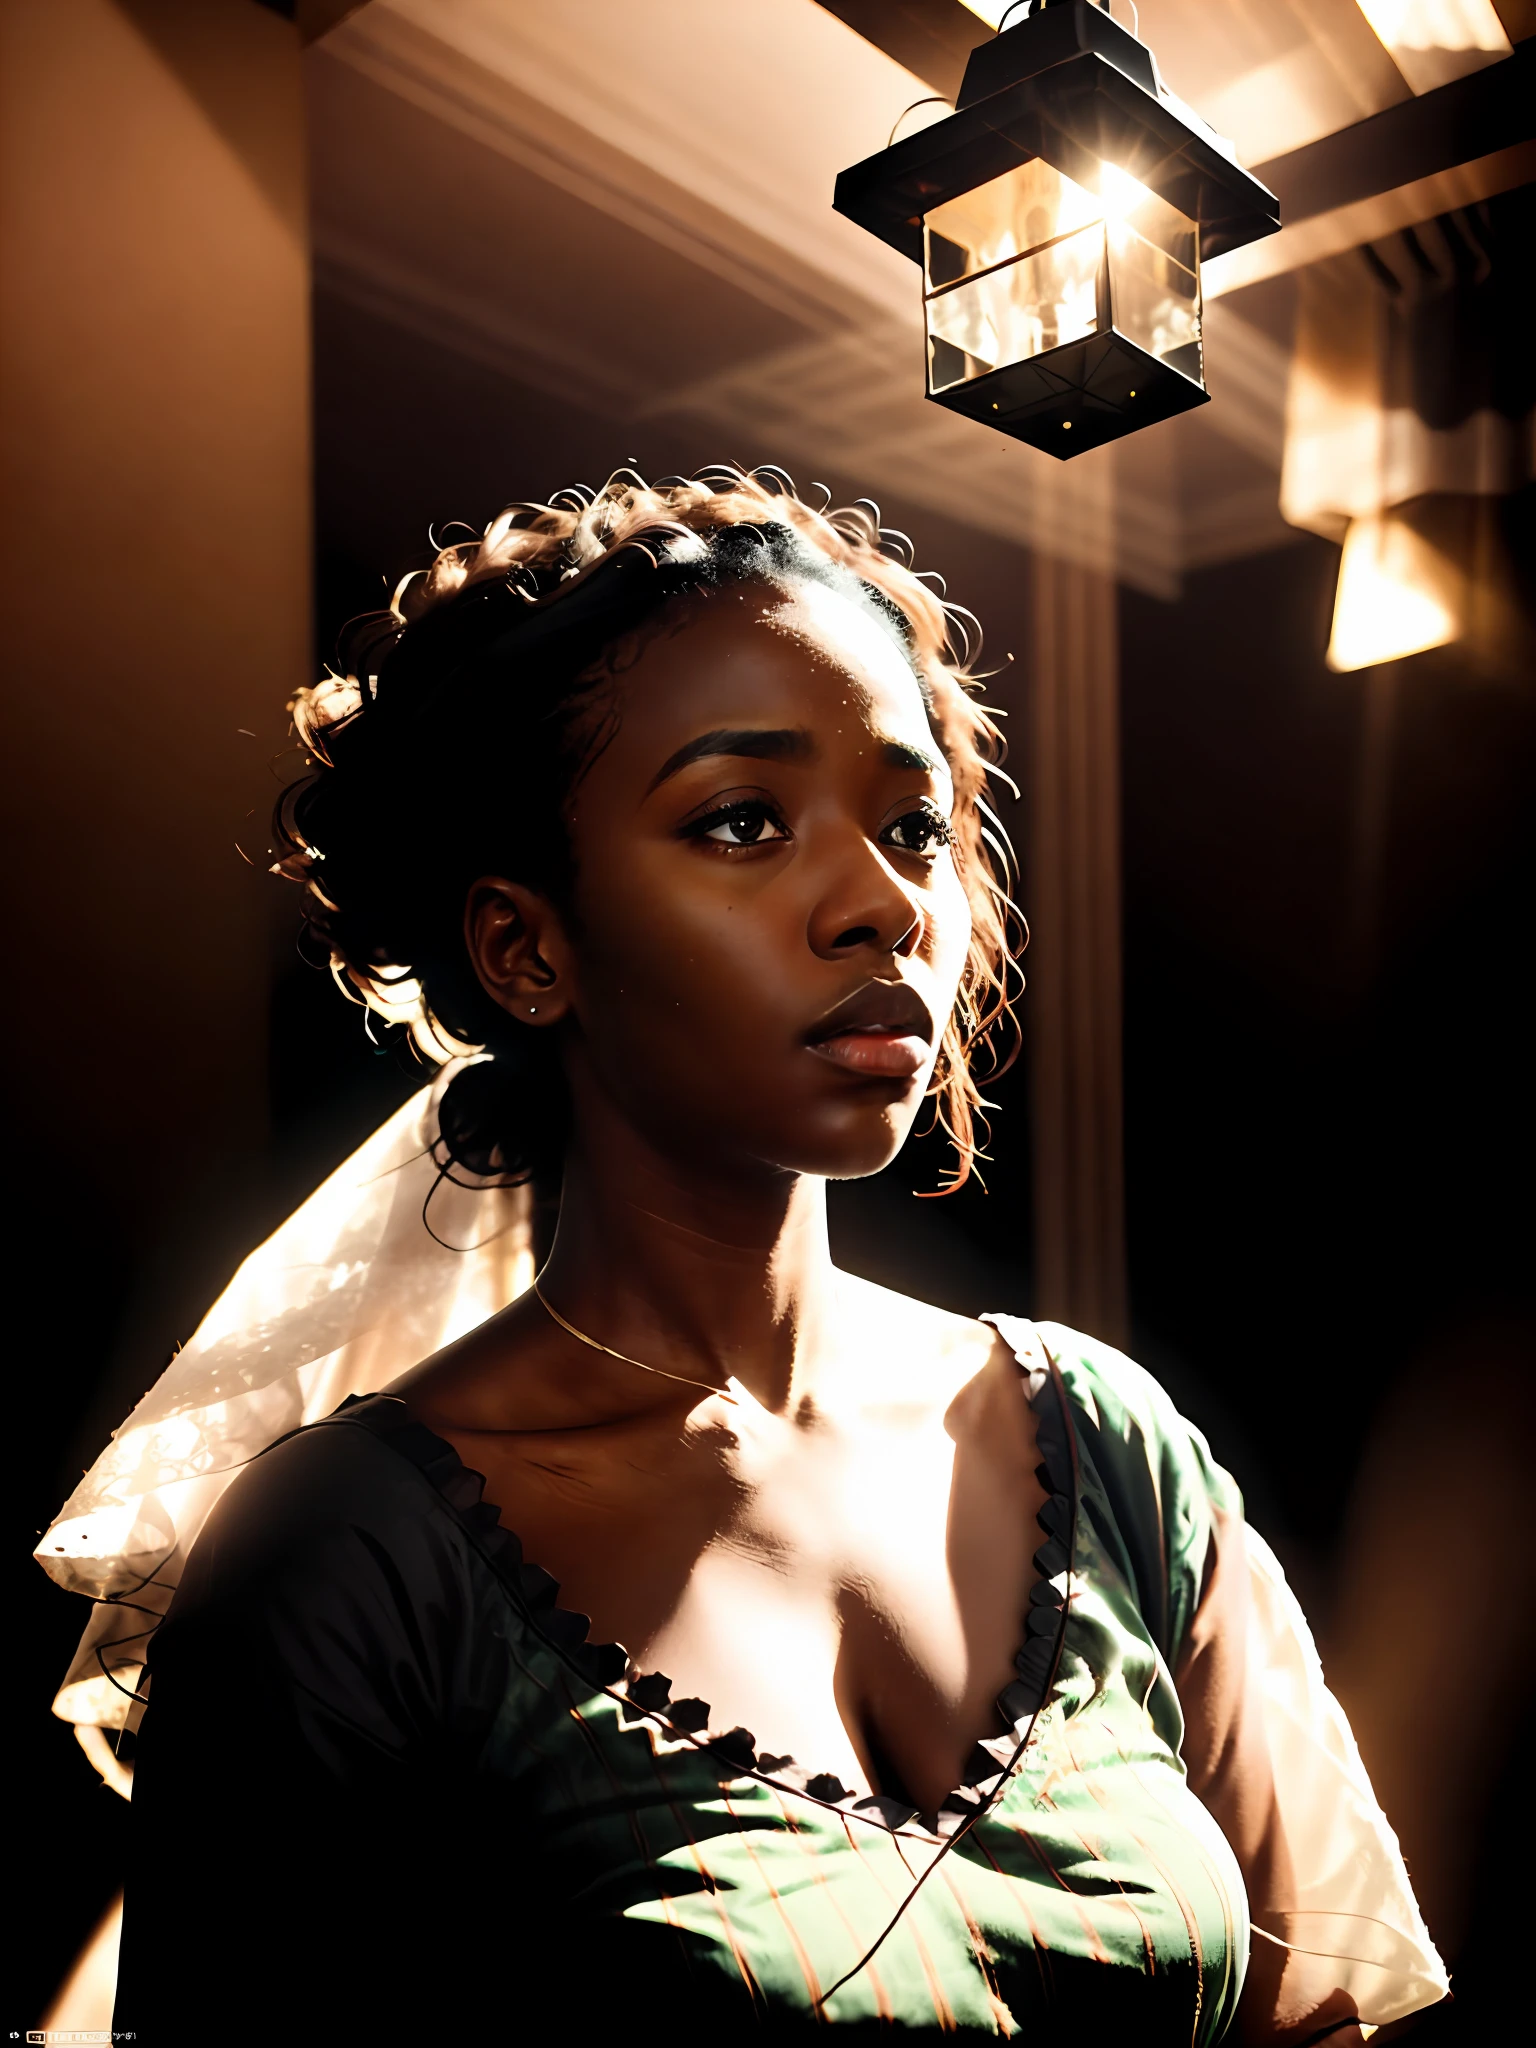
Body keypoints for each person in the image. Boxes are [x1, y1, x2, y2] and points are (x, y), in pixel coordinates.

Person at [101, 469, 1444, 2042]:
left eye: (913, 825)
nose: (883, 903)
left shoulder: (1109, 1446)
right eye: (743, 821)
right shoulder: (347, 1560)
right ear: (527, 950)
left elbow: (1338, 2019)